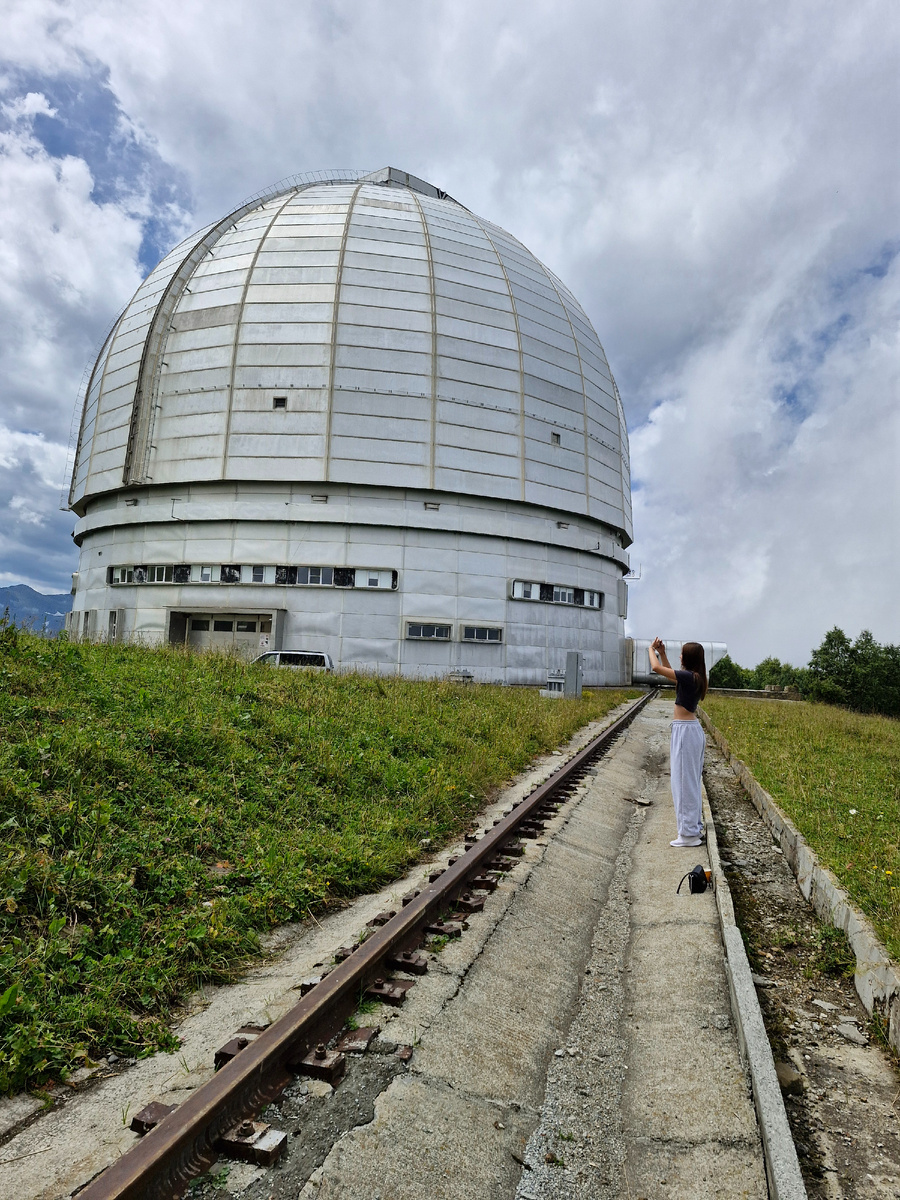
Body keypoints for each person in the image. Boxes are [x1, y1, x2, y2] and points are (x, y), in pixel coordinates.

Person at [648, 638, 708, 848]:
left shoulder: (689, 677)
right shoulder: (694, 677)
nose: (680, 656)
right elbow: (670, 672)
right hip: (689, 731)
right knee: (689, 782)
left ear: (689, 658)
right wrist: (662, 653)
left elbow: (656, 668)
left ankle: (688, 834)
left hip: (686, 732)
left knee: (682, 783)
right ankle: (692, 828)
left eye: (682, 654)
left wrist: (651, 650)